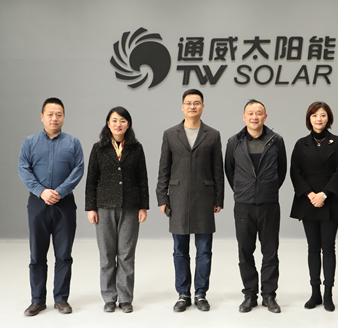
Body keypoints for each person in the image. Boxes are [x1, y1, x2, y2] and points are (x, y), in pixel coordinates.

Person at [156, 89, 225, 312]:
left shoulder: (212, 134)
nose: (192, 106)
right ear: (182, 106)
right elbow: (164, 168)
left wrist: (219, 198)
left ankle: (201, 294)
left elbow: (218, 169)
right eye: (188, 103)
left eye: (197, 103)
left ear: (203, 106)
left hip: (205, 198)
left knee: (204, 250)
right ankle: (183, 294)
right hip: (177, 198)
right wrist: (162, 197)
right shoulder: (170, 134)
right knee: (180, 250)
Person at [18, 97, 84, 316]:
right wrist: (42, 191)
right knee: (37, 254)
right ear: (42, 117)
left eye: (59, 114)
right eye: (50, 114)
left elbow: (78, 170)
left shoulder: (73, 143)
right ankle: (37, 300)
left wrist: (59, 192)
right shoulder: (29, 142)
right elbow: (23, 169)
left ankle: (61, 299)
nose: (54, 118)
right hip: (38, 204)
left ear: (64, 117)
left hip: (65, 204)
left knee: (64, 254)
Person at [289, 101, 338, 312]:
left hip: (331, 200)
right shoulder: (301, 144)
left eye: (323, 115)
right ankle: (315, 292)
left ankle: (328, 293)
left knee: (328, 247)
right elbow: (295, 172)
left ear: (329, 118)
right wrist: (310, 194)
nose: (319, 119)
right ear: (309, 119)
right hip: (308, 200)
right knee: (312, 247)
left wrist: (324, 194)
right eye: (315, 115)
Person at [225, 99, 287, 313]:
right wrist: (243, 189)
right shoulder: (234, 141)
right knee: (245, 251)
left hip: (269, 204)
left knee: (270, 252)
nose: (254, 117)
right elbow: (229, 170)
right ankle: (250, 295)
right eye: (250, 113)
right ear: (244, 117)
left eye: (258, 113)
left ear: (265, 117)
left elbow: (282, 170)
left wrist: (267, 188)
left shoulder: (276, 140)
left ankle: (269, 295)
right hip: (243, 204)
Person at [85, 106, 149, 314]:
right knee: (106, 255)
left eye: (122, 120)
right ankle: (109, 298)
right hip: (104, 207)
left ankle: (126, 298)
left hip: (130, 207)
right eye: (114, 120)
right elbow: (91, 180)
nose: (118, 124)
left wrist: (143, 206)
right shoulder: (98, 148)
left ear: (128, 124)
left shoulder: (136, 148)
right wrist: (91, 208)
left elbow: (142, 179)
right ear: (108, 123)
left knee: (126, 255)